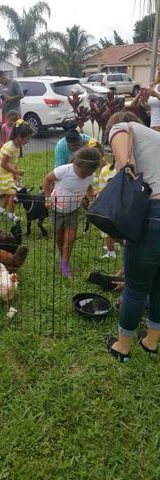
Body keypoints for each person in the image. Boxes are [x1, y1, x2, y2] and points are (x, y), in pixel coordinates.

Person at [105, 111, 160, 363]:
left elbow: (126, 169)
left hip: (154, 216)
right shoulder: (155, 140)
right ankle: (151, 341)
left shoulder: (121, 128)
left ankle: (122, 346)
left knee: (136, 287)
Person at [43, 147, 100, 278]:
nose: (84, 176)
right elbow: (47, 179)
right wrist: (47, 198)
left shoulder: (90, 175)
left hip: (73, 210)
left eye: (88, 173)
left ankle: (64, 263)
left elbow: (88, 186)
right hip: (56, 209)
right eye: (83, 172)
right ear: (76, 164)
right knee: (59, 237)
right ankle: (63, 253)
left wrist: (91, 197)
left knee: (70, 238)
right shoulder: (64, 170)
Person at [0, 119, 33, 221]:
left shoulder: (17, 146)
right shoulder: (10, 147)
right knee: (13, 193)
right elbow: (3, 164)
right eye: (27, 138)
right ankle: (11, 215)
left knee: (8, 192)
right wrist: (16, 172)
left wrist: (15, 174)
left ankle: (1, 210)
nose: (28, 141)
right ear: (19, 137)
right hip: (0, 173)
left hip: (6, 172)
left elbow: (13, 162)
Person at [97, 157, 117, 259]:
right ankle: (112, 245)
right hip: (113, 203)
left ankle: (111, 252)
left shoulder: (108, 170)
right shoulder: (115, 170)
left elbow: (113, 186)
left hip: (107, 203)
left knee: (106, 229)